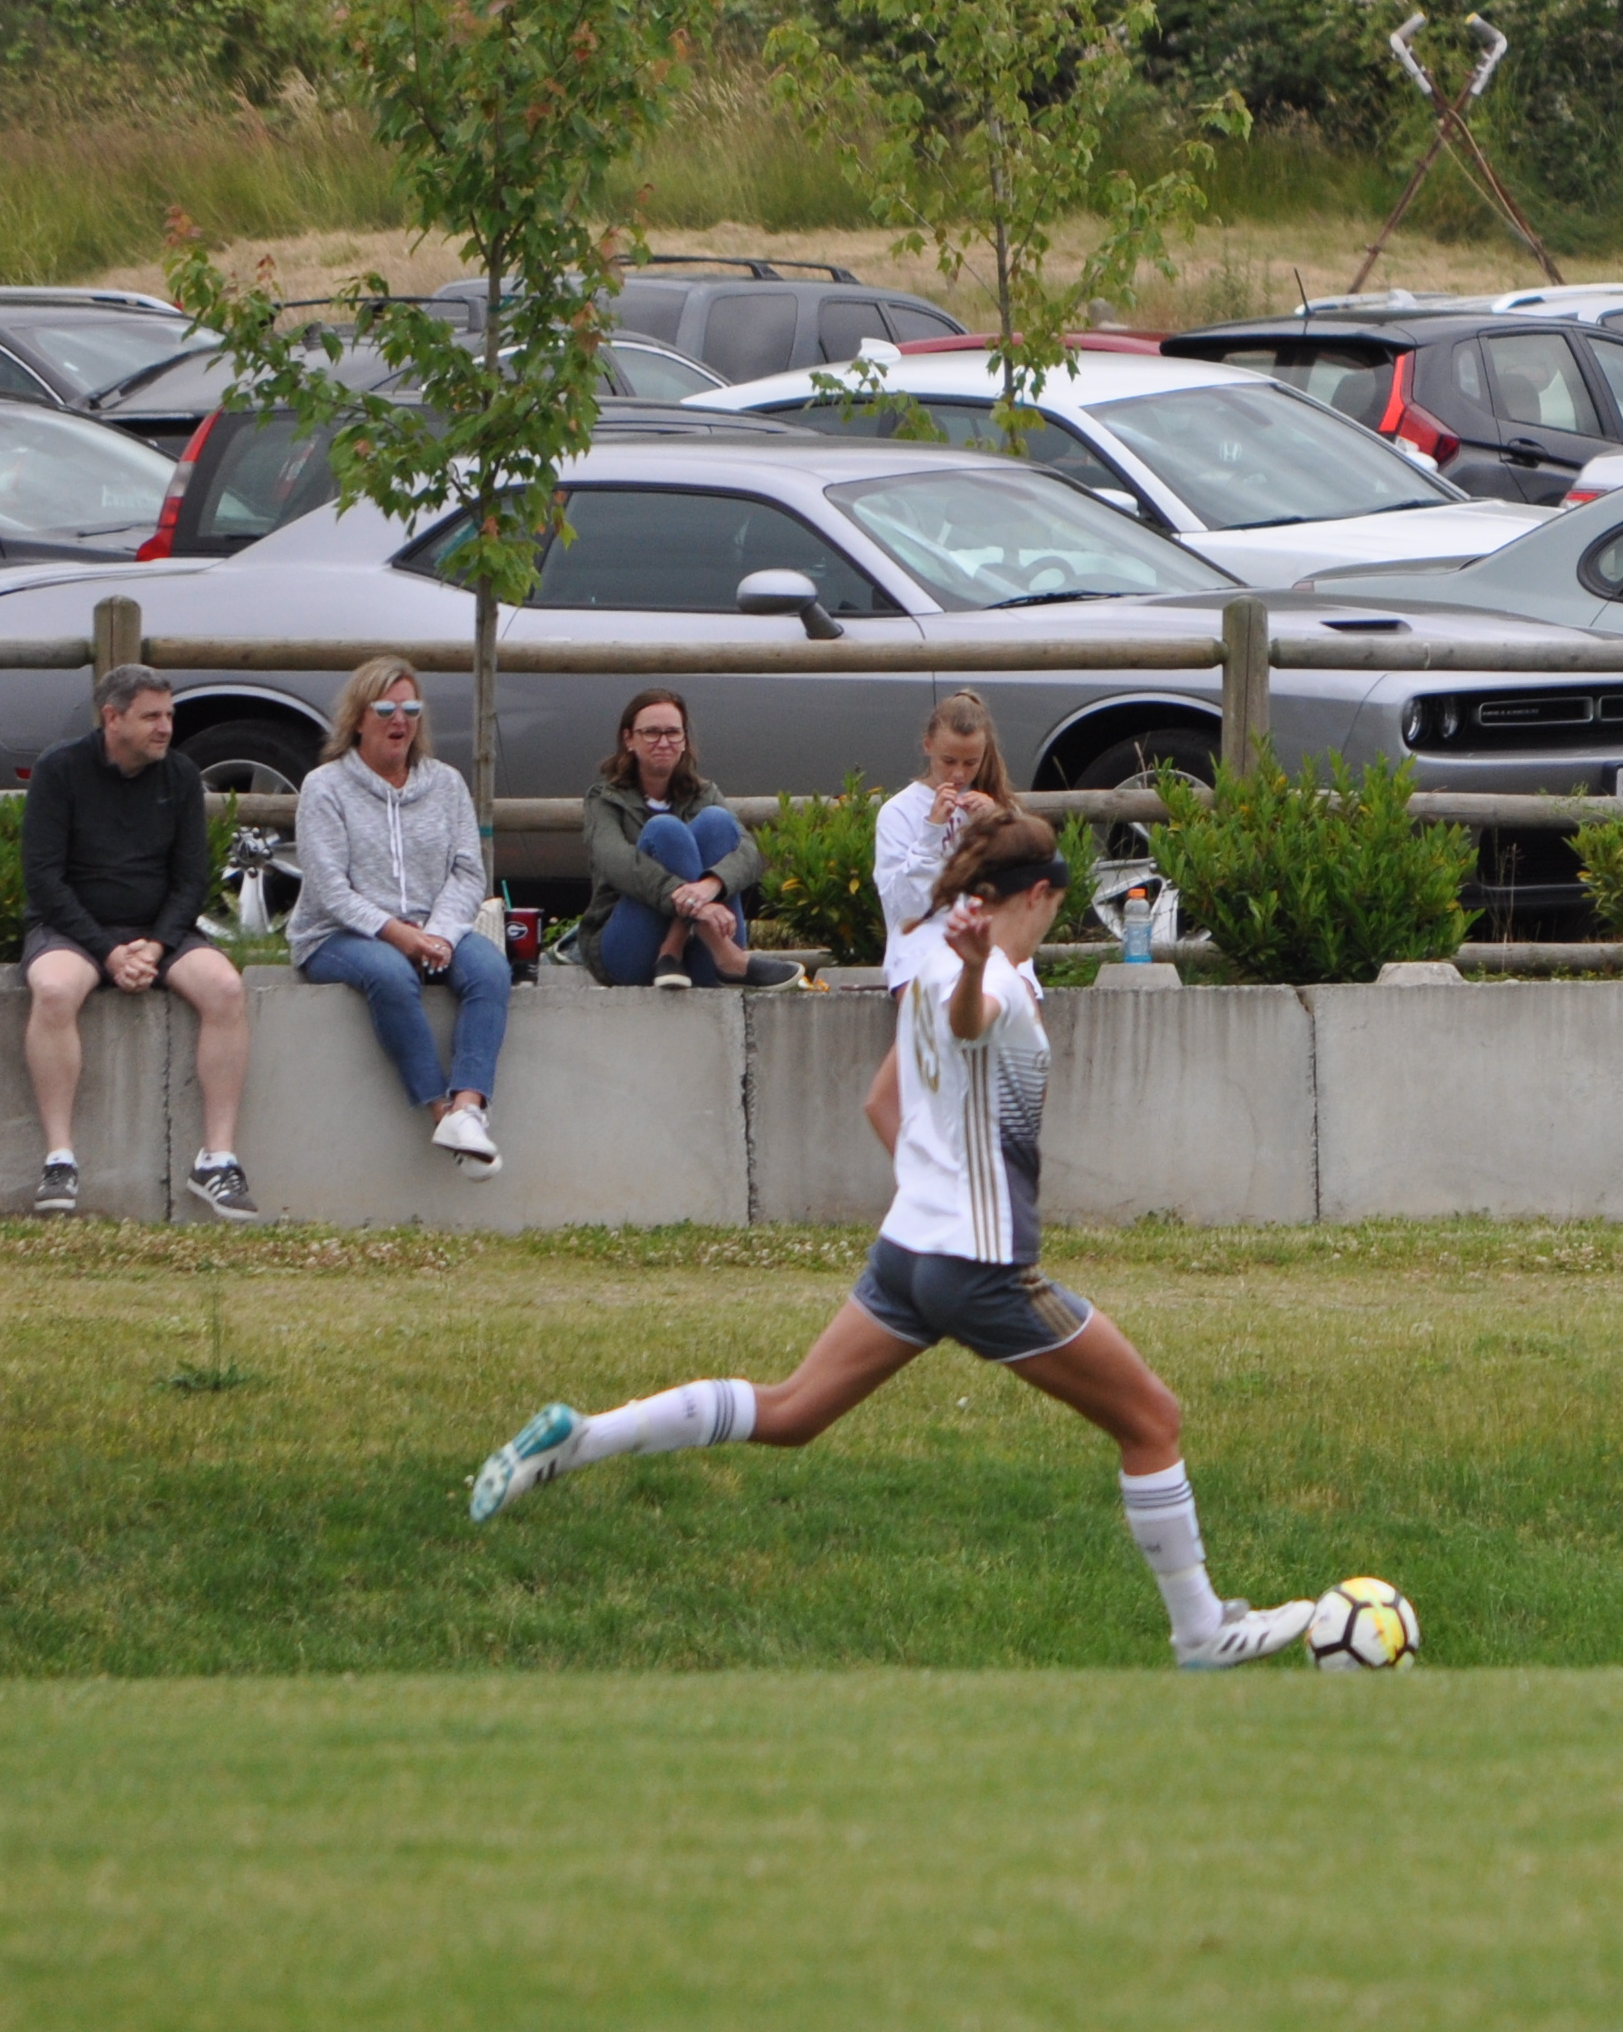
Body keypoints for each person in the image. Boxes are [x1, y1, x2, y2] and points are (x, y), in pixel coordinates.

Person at [465, 815, 1327, 1670]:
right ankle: (1201, 1630)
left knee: (794, 1411)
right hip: (978, 1265)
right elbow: (971, 1020)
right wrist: (982, 975)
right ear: (1037, 895)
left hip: (909, 1254)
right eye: (1054, 910)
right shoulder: (996, 983)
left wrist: (934, 1180)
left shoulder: (922, 970)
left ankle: (583, 1438)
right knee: (1154, 1420)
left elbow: (886, 1101)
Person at [20, 662, 257, 1219]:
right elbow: (44, 880)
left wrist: (154, 946)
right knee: (53, 991)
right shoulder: (60, 770)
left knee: (225, 987)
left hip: (157, 932)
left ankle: (217, 1161)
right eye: (151, 716)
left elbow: (191, 879)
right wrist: (106, 951)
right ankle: (60, 1159)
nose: (165, 728)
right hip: (72, 929)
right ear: (112, 718)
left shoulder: (179, 776)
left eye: (169, 715)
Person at [289, 658, 507, 1177]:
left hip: (436, 927)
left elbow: (467, 873)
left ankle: (468, 1109)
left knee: (490, 971)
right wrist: (398, 936)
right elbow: (329, 889)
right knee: (390, 975)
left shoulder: (448, 783)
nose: (400, 720)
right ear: (358, 719)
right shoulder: (325, 787)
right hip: (339, 933)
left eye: (411, 708)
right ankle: (440, 1112)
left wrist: (437, 933)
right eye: (385, 708)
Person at [581, 688, 765, 988]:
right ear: (629, 739)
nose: (663, 742)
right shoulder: (605, 798)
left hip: (700, 960)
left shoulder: (705, 793)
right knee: (665, 831)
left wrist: (710, 885)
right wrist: (695, 903)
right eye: (651, 732)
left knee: (717, 822)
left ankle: (674, 950)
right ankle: (724, 954)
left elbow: (749, 853)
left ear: (684, 741)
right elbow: (616, 861)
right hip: (632, 951)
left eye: (673, 733)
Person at [876, 691, 1018, 938]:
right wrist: (932, 831)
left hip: (991, 949)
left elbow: (1022, 894)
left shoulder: (999, 806)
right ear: (927, 745)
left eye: (971, 763)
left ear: (985, 753)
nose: (959, 774)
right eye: (949, 761)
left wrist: (996, 829)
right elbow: (904, 908)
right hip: (921, 954)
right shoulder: (898, 812)